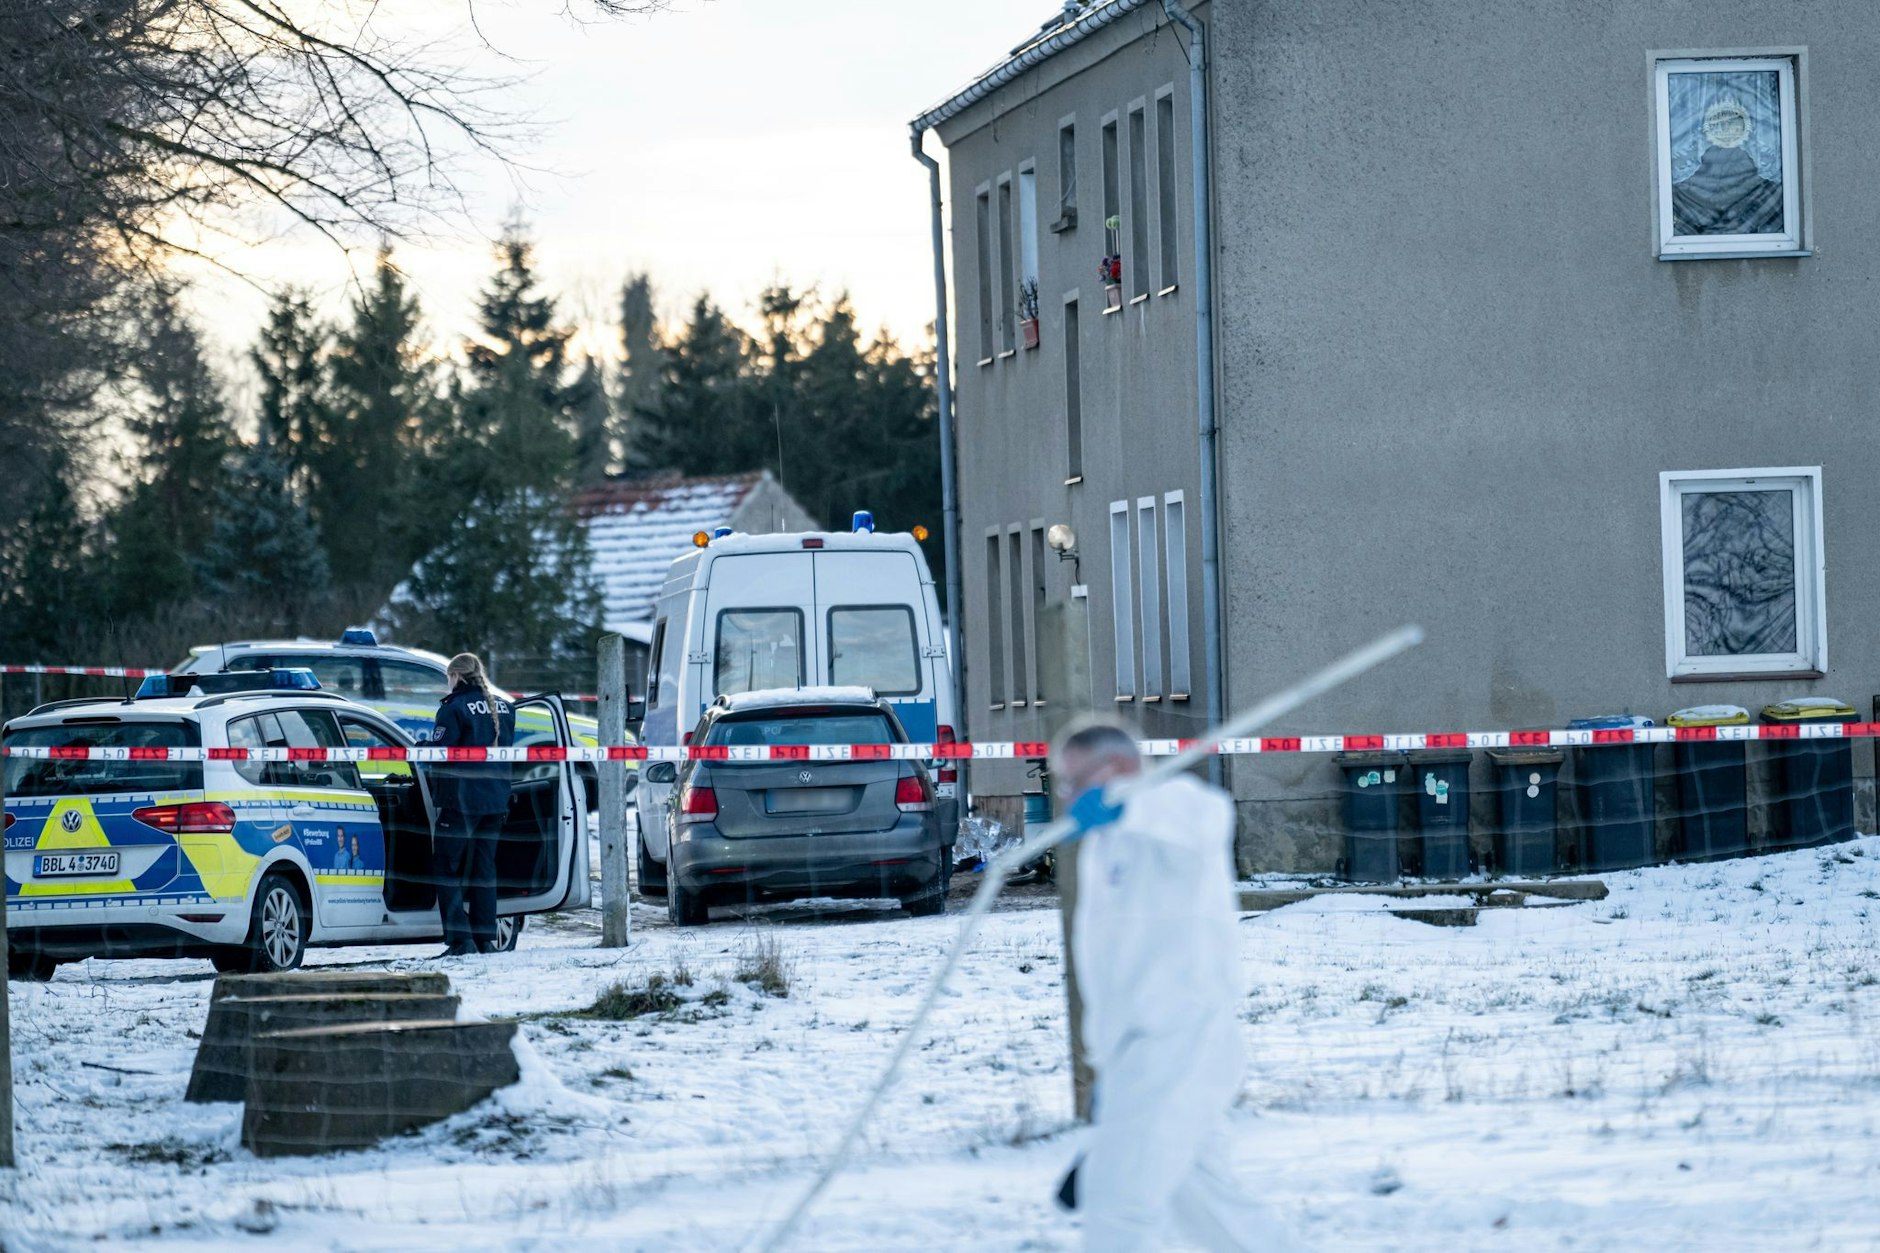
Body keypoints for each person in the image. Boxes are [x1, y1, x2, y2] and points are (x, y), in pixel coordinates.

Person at [1050, 716, 1289, 1253]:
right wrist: (1108, 1062)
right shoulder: (1105, 844)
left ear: (1116, 767)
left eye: (1074, 780)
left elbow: (1206, 817)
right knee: (1210, 1205)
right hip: (1137, 1053)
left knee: (1117, 1201)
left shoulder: (1177, 808)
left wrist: (1127, 801)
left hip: (1180, 1040)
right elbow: (1114, 964)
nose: (1067, 795)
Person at [428, 652, 516, 957]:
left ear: (456, 676)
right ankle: (484, 939)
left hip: (462, 801)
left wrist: (419, 749)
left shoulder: (454, 708)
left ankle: (460, 940)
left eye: (448, 678)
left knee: (445, 866)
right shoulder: (505, 707)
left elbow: (440, 752)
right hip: (496, 800)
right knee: (484, 869)